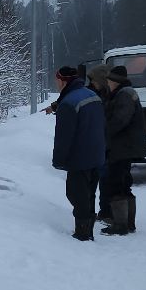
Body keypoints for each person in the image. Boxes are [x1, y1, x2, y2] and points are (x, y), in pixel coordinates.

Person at [51, 64, 106, 241]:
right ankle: (88, 230)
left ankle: (82, 233)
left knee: (76, 194)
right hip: (97, 153)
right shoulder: (92, 96)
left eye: (57, 80)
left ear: (63, 81)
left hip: (79, 157)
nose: (56, 84)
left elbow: (64, 136)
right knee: (89, 193)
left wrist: (59, 160)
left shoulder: (68, 103)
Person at [100, 64, 146, 236]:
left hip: (122, 147)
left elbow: (120, 120)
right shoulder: (125, 93)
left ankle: (120, 225)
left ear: (115, 81)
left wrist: (104, 132)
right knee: (123, 183)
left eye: (109, 80)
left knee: (117, 184)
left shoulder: (124, 95)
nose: (107, 83)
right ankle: (128, 223)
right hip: (125, 146)